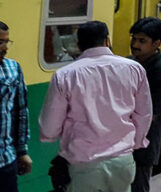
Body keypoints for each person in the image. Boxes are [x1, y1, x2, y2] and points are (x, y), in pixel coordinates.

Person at [39, 21, 152, 192]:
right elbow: (143, 114)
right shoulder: (134, 69)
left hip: (85, 163)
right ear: (107, 40)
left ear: (78, 45)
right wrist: (134, 143)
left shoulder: (65, 75)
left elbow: (50, 127)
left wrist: (53, 137)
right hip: (123, 161)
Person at [129, 17, 161, 192]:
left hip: (143, 145)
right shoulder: (130, 62)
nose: (135, 44)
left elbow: (152, 115)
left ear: (156, 44)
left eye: (142, 41)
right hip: (125, 142)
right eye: (134, 39)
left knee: (139, 185)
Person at [0, 21, 31, 191]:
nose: (5, 47)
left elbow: (21, 111)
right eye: (0, 42)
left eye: (7, 42)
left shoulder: (13, 68)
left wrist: (22, 151)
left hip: (6, 159)